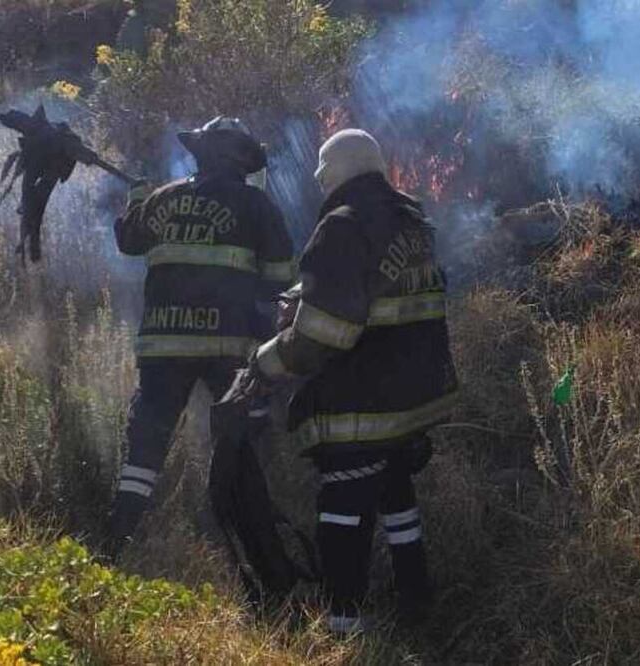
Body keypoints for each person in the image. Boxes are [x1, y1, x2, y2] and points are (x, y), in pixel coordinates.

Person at [253, 128, 458, 632]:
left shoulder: (342, 226)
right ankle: (416, 599)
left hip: (365, 400)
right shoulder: (413, 222)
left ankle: (342, 625)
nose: (320, 180)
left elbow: (324, 335)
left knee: (341, 504)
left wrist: (266, 362)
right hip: (416, 398)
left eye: (323, 170)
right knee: (395, 489)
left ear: (337, 171)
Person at [105, 116, 295, 560]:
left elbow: (128, 241)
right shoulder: (255, 205)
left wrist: (139, 196)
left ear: (202, 153)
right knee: (236, 444)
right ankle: (263, 561)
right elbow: (280, 280)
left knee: (145, 449)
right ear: (241, 159)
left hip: (163, 346)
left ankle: (114, 547)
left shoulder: (163, 198)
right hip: (226, 347)